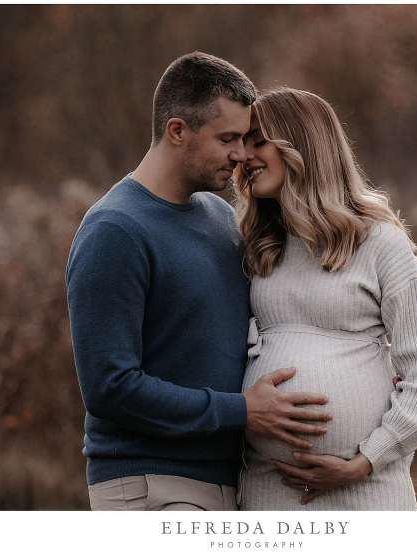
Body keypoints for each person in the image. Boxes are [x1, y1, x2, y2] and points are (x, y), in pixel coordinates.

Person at [66, 54, 331, 511]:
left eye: (246, 139)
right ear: (177, 131)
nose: (242, 154)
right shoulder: (115, 230)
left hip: (226, 483)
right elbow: (110, 387)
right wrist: (242, 411)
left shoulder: (220, 218)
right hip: (150, 484)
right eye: (227, 138)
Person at [233, 87, 417, 510]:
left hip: (366, 492)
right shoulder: (256, 247)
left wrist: (365, 462)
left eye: (258, 141)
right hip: (269, 491)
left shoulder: (380, 243)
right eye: (241, 143)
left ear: (302, 144)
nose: (244, 156)